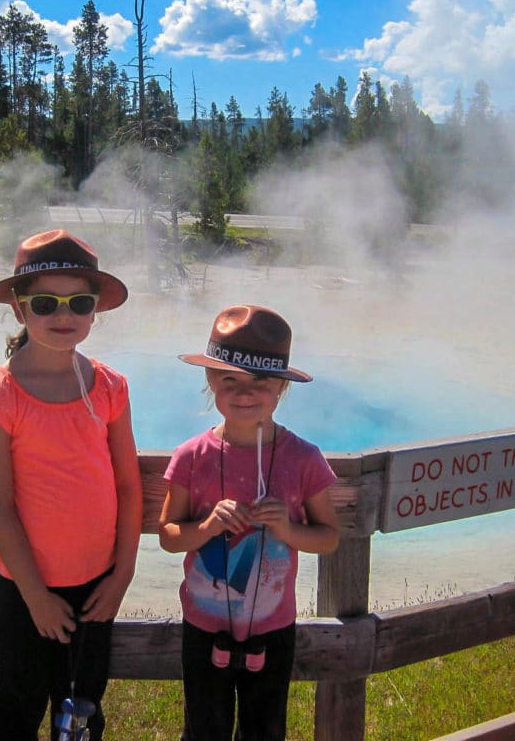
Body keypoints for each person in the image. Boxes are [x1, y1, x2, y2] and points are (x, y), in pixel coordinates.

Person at [0, 229, 142, 741]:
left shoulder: (109, 387)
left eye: (79, 302)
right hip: (26, 586)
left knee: (84, 707)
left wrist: (122, 575)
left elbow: (130, 489)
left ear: (95, 312)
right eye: (45, 303)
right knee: (19, 702)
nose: (63, 315)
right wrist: (36, 596)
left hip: (97, 584)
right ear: (19, 311)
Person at [158, 304, 340, 741]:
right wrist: (205, 527)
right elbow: (168, 535)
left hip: (274, 630)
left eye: (260, 381)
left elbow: (329, 537)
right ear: (211, 382)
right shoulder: (190, 457)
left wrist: (288, 530)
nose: (245, 392)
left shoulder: (304, 459)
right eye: (230, 380)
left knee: (265, 729)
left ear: (281, 386)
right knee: (205, 728)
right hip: (203, 628)